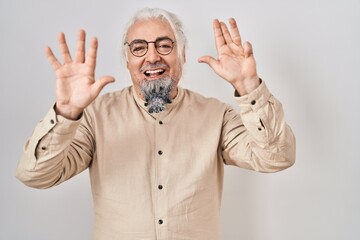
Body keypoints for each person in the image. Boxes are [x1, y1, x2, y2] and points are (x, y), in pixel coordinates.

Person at [16, 7, 296, 240]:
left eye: (164, 45)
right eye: (139, 48)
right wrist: (65, 113)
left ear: (183, 55)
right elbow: (36, 175)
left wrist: (249, 88)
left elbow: (276, 158)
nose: (152, 56)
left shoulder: (216, 116)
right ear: (127, 61)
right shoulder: (94, 116)